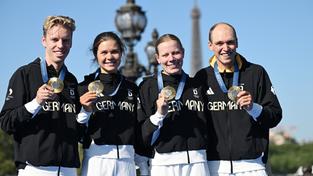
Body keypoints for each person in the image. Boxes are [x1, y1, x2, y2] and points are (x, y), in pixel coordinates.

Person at [194, 22, 283, 176]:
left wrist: (253, 108)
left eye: (230, 42)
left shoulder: (256, 73)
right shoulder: (202, 77)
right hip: (214, 167)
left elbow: (275, 116)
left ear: (237, 42)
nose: (225, 48)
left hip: (252, 165)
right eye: (219, 43)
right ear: (210, 45)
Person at [0, 16, 83, 176]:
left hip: (68, 170)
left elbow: (78, 132)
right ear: (44, 40)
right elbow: (6, 122)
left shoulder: (72, 81)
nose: (60, 45)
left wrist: (86, 112)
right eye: (55, 39)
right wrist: (36, 102)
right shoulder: (24, 74)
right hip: (35, 169)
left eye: (66, 40)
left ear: (71, 43)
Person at [77, 31, 148, 176]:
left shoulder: (132, 88)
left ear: (121, 53)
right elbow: (75, 132)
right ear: (96, 55)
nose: (109, 57)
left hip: (127, 163)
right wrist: (85, 111)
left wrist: (144, 167)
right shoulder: (83, 87)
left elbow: (138, 130)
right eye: (104, 52)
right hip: (97, 162)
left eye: (114, 51)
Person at [138, 33, 210, 176]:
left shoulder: (198, 85)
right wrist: (159, 114)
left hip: (198, 162)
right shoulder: (147, 87)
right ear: (157, 58)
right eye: (165, 55)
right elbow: (141, 133)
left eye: (176, 53)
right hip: (163, 164)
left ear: (183, 53)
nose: (171, 59)